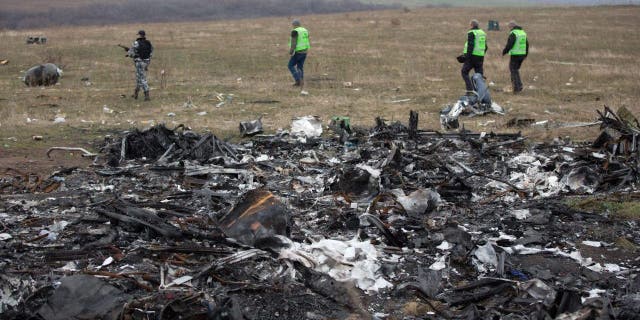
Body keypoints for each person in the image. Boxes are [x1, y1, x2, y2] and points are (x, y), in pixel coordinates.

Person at [460, 19, 487, 93]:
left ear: (471, 25)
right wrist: (482, 53)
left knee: (464, 72)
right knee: (479, 74)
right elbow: (485, 46)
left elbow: (470, 45)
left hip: (472, 56)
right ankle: (481, 90)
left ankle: (470, 89)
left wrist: (466, 57)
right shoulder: (482, 33)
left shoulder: (471, 32)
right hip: (480, 56)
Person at [125, 30, 153, 101]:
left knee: (142, 78)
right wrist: (147, 64)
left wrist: (128, 51)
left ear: (140, 35)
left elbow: (132, 54)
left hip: (139, 62)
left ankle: (147, 95)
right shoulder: (149, 43)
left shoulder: (136, 43)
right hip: (146, 62)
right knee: (138, 77)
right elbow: (151, 53)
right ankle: (136, 93)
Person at [502, 21, 529, 93]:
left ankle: (516, 88)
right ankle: (519, 85)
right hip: (522, 55)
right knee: (516, 70)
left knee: (513, 70)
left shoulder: (513, 33)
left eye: (509, 27)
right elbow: (527, 44)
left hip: (515, 55)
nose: (509, 29)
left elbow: (510, 44)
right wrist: (526, 54)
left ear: (512, 27)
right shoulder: (522, 33)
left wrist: (505, 51)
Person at [288, 19, 310, 88]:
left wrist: (291, 51)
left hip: (298, 52)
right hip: (305, 52)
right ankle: (301, 81)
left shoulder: (295, 31)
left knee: (290, 65)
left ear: (294, 25)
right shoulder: (305, 30)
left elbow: (293, 43)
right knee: (300, 67)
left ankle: (298, 80)